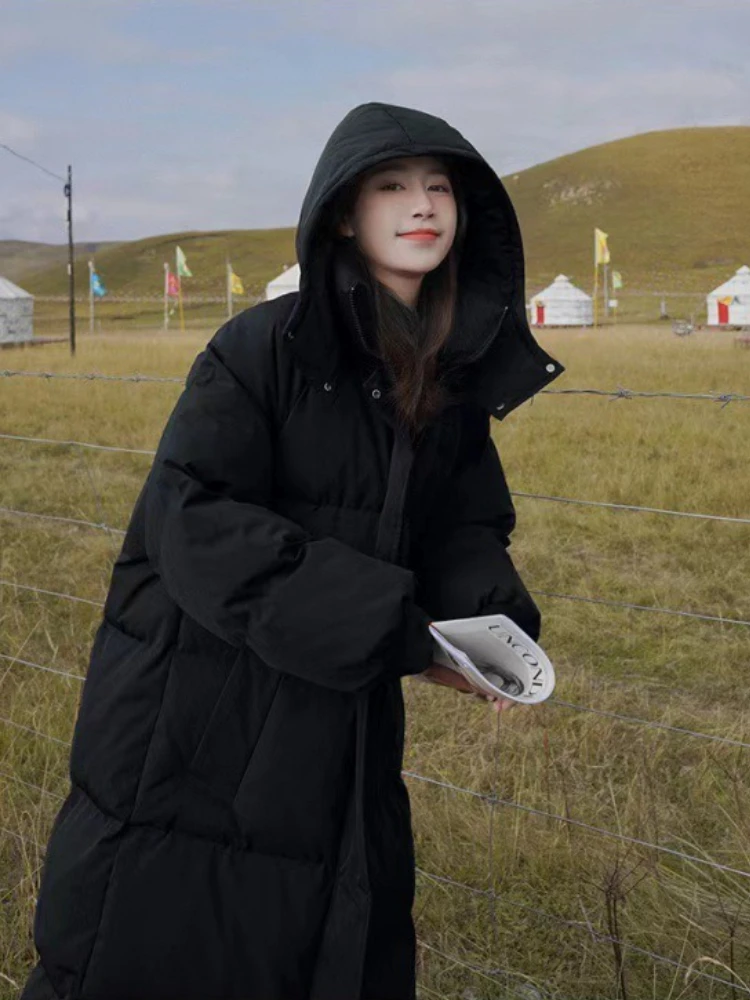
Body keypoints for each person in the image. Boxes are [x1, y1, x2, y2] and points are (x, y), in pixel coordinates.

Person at [20, 102, 564, 1000]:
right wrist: (400, 633)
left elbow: (462, 527)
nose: (422, 204)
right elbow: (196, 520)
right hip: (201, 708)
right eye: (392, 186)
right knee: (177, 937)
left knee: (329, 931)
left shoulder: (445, 374)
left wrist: (492, 627)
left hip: (341, 719)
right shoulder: (262, 348)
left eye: (439, 188)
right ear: (344, 214)